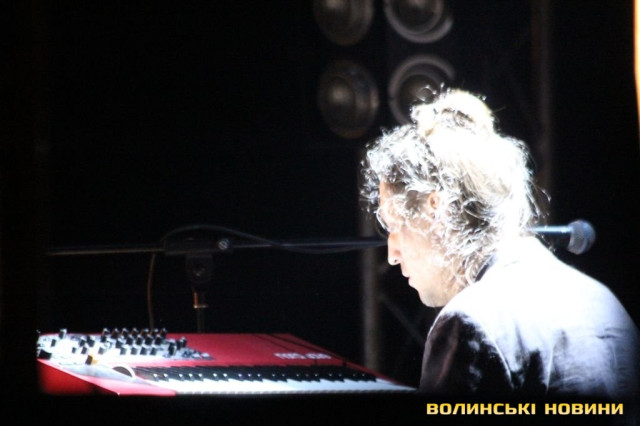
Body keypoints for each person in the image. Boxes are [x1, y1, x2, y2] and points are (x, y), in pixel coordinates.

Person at [360, 87, 639, 401]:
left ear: (434, 208)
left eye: (395, 226)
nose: (392, 254)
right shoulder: (603, 302)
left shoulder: (470, 322)